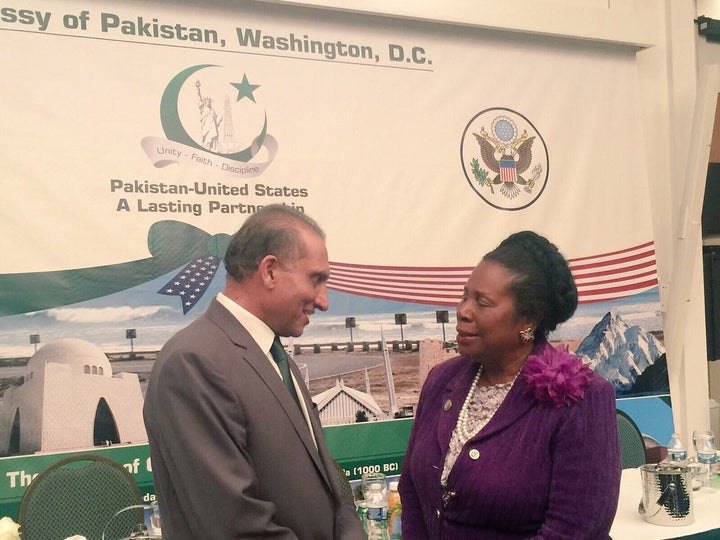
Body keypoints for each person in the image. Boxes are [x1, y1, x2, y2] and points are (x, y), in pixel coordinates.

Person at [143, 204, 365, 539]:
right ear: (270, 271)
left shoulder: (275, 356)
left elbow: (329, 484)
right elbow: (235, 525)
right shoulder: (191, 363)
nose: (324, 301)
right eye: (316, 279)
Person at [398, 231, 621, 539]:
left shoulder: (580, 398)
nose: (463, 311)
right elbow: (411, 491)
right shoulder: (441, 380)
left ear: (528, 318)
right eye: (464, 296)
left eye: (482, 302)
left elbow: (574, 530)